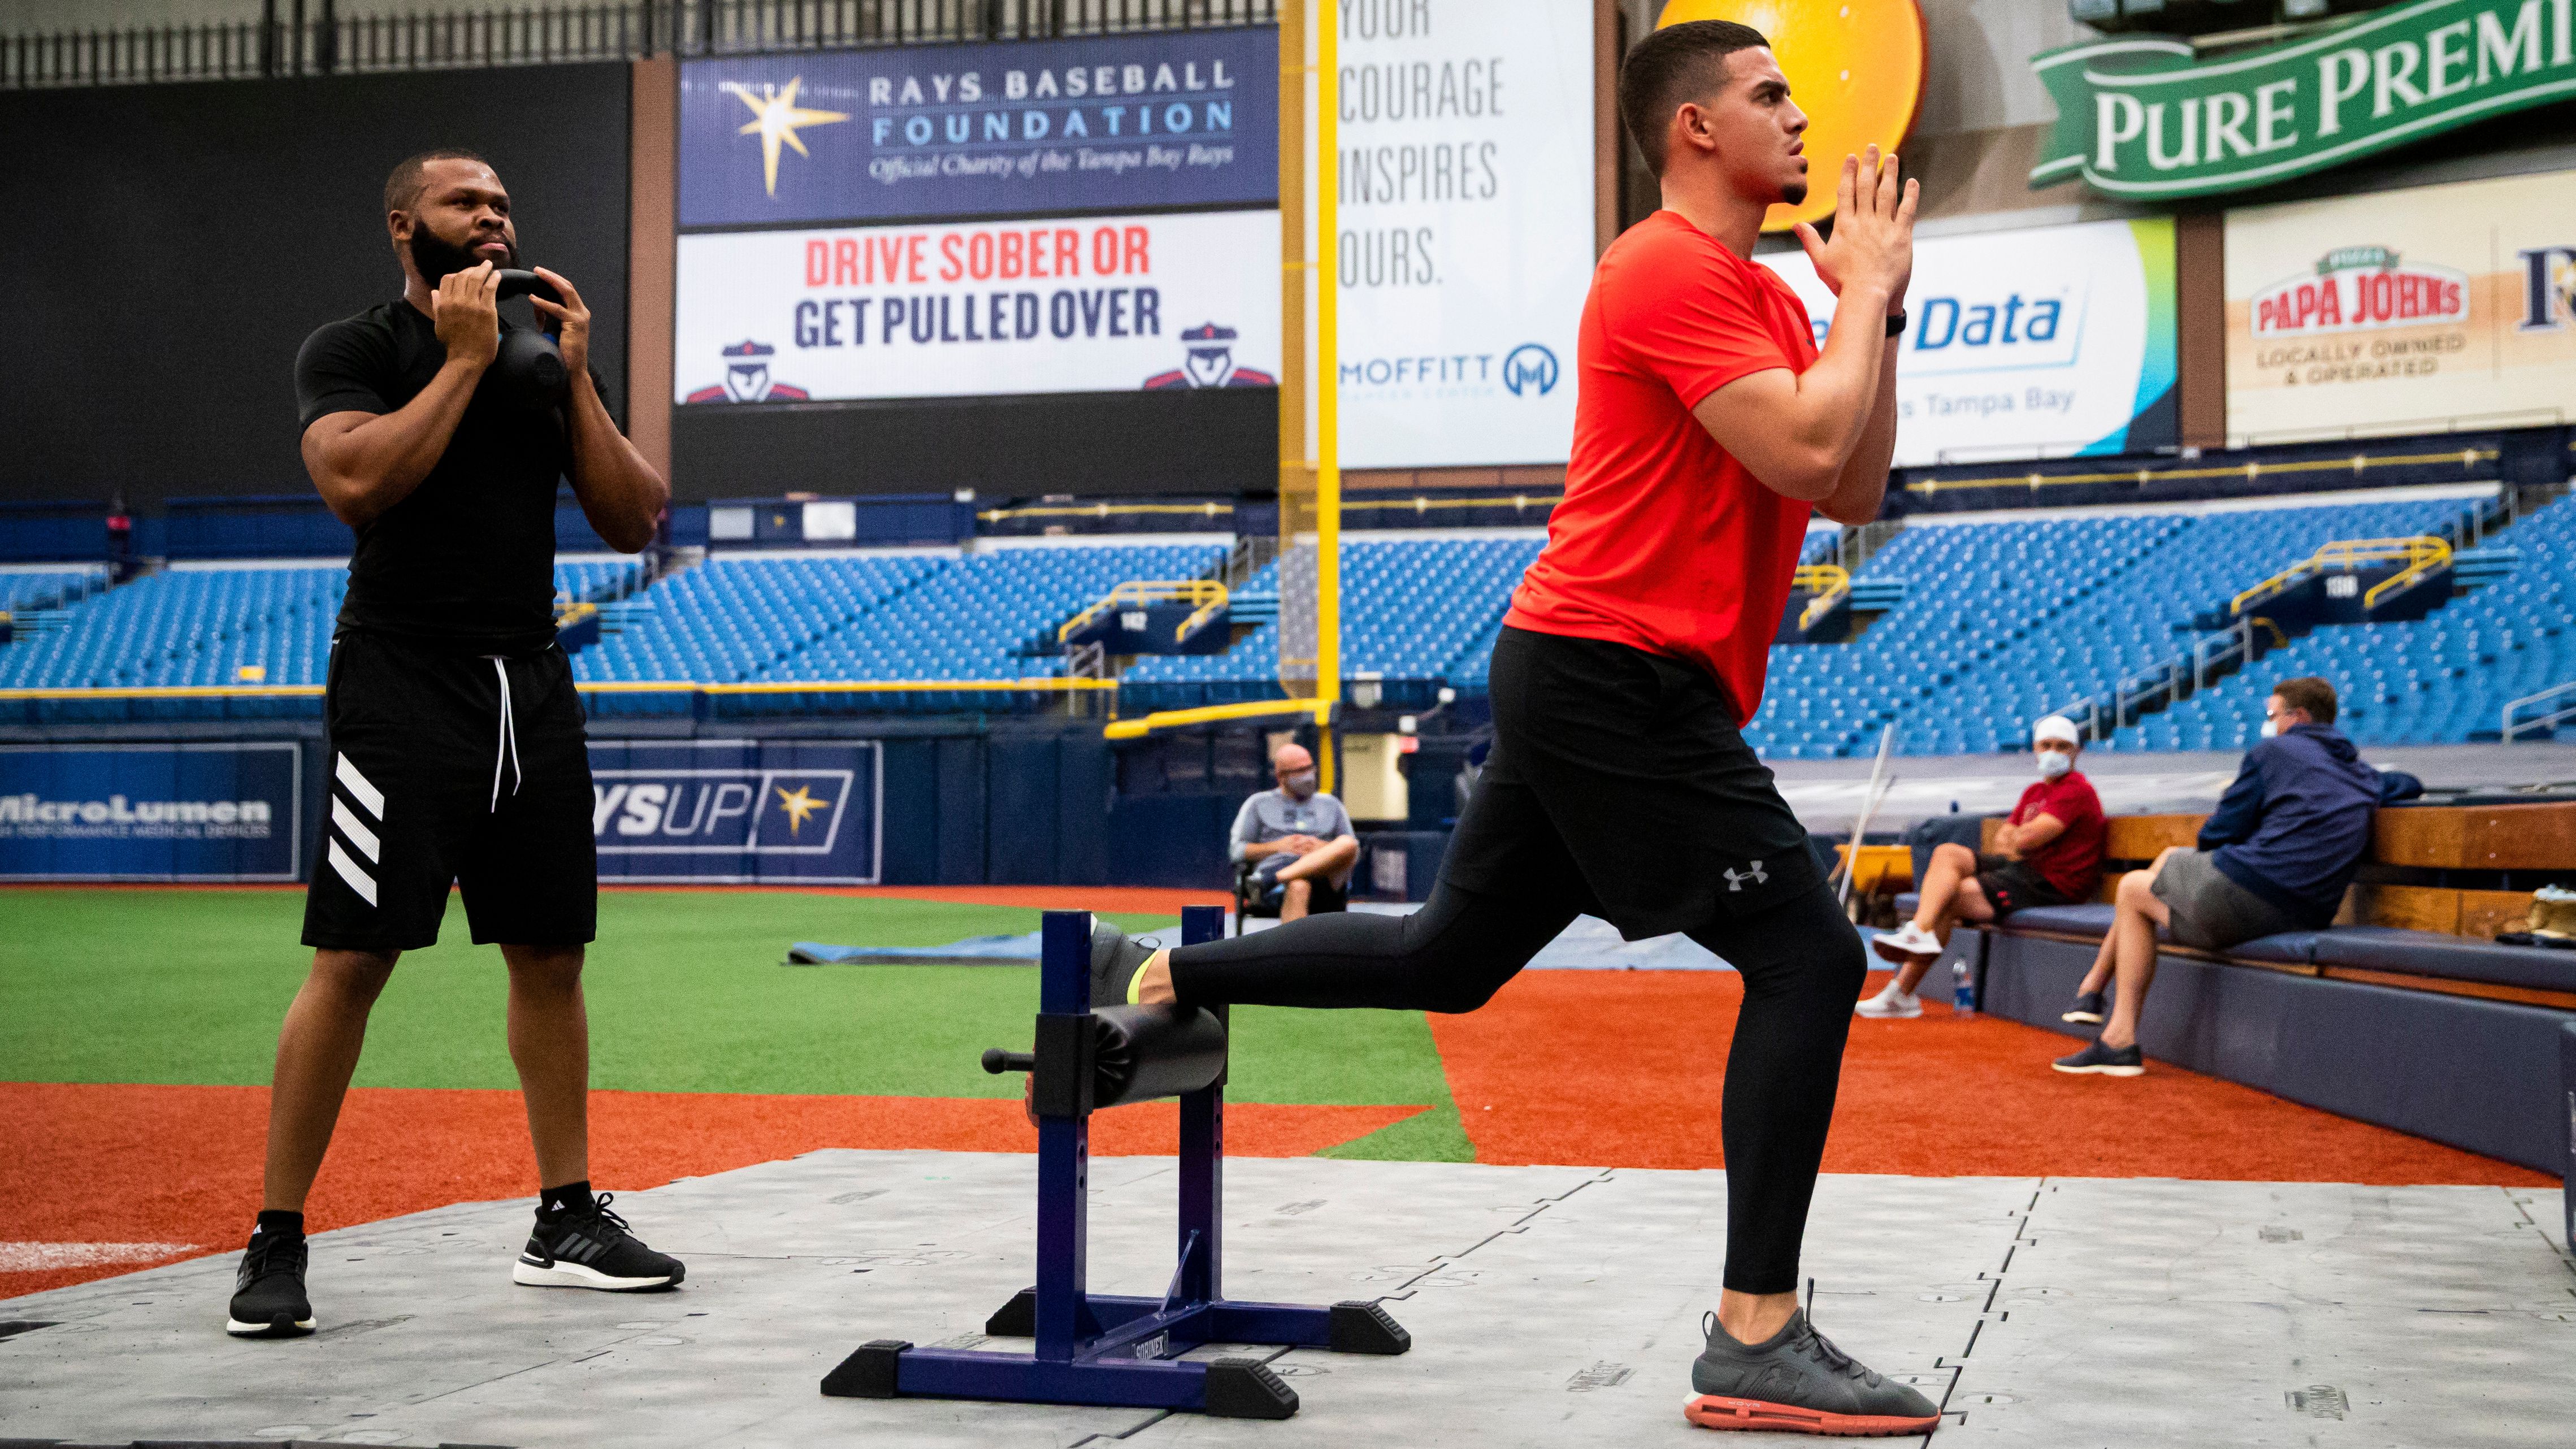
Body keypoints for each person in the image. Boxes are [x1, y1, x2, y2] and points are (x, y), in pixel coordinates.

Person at [1099, 22, 1938, 1435]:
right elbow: (1801, 448)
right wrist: (1863, 301)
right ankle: (1754, 1333)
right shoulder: (1663, 265)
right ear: (1692, 130)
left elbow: (1848, 484)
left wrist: (1876, 311)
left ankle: (1175, 973)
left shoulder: (1772, 300)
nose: (1802, 118)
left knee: (1449, 957)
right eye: (1769, 95)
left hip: (1595, 669)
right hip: (1617, 671)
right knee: (1809, 952)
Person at [227, 150, 678, 1339]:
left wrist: (572, 379)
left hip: (527, 680)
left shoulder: (538, 354)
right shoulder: (357, 348)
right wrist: (465, 360)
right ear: (403, 227)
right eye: (463, 204)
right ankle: (276, 1236)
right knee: (355, 956)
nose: (492, 219)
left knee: (550, 954)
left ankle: (566, 1217)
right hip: (402, 681)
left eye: (501, 205)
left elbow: (636, 517)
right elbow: (355, 482)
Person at [2052, 677, 2381, 1076]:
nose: (2270, 723)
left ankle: (2105, 1015)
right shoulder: (2361, 772)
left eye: (2272, 714)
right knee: (2167, 864)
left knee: (2133, 888)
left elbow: (2216, 834)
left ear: (2299, 716)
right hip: (2309, 910)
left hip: (2251, 896)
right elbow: (2401, 785)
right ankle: (2092, 996)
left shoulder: (2274, 751)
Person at [1858, 716, 2104, 1018]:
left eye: (2062, 746)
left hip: (2054, 883)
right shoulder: (2035, 792)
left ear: (2077, 751)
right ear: (2036, 749)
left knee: (1949, 897)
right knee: (1948, 852)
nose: (2054, 752)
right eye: (2047, 745)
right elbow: (2004, 842)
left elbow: (2026, 837)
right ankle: (1917, 934)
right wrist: (2019, 839)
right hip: (2025, 870)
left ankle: (1901, 992)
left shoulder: (2076, 790)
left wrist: (2020, 838)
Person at [1231, 743, 1359, 922]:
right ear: (1281, 776)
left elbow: (1353, 853)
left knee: (1348, 843)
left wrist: (1321, 847)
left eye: (1310, 768)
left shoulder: (1332, 805)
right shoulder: (1258, 804)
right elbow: (1236, 851)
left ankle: (1272, 879)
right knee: (1299, 885)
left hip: (1327, 879)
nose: (1308, 776)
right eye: (1300, 771)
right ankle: (1295, 950)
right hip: (1278, 878)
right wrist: (1277, 847)